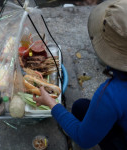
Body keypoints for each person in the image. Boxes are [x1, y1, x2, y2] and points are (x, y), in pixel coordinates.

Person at [33, 0, 127, 149]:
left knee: (82, 113)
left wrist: (52, 103)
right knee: (80, 107)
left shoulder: (111, 94)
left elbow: (83, 139)